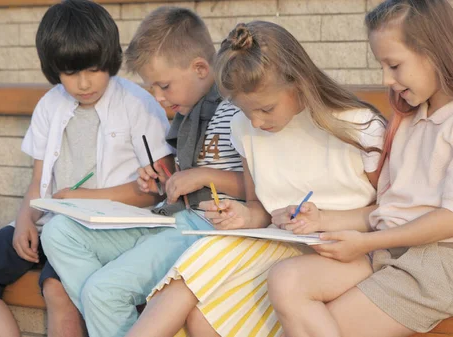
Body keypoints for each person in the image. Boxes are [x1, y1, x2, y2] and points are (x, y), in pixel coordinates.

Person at [267, 1, 453, 336]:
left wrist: (365, 243)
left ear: (435, 53)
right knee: (284, 279)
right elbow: (388, 211)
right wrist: (321, 219)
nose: (387, 79)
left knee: (323, 327)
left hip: (436, 268)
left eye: (394, 65)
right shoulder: (407, 123)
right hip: (388, 257)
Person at [126, 20, 386, 337]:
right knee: (201, 303)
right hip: (282, 245)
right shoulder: (244, 128)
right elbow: (260, 208)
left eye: (266, 108)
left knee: (209, 297)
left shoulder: (359, 126)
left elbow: (388, 215)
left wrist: (323, 219)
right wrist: (243, 215)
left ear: (298, 82)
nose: (257, 122)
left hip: (351, 252)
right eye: (247, 111)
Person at [0, 1, 171, 337]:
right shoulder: (50, 105)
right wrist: (25, 218)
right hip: (50, 222)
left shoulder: (138, 104)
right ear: (55, 70)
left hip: (100, 235)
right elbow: (39, 180)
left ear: (110, 58)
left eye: (94, 69)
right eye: (71, 73)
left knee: (58, 291)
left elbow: (156, 190)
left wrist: (84, 198)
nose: (84, 83)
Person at [40, 6, 245, 337]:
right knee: (57, 233)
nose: (158, 98)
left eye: (163, 86)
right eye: (152, 88)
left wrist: (202, 176)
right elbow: (185, 181)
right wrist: (166, 181)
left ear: (201, 68)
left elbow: (263, 186)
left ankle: (111, 303)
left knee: (101, 292)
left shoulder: (237, 108)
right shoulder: (188, 112)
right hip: (173, 222)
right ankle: (120, 316)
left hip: (205, 232)